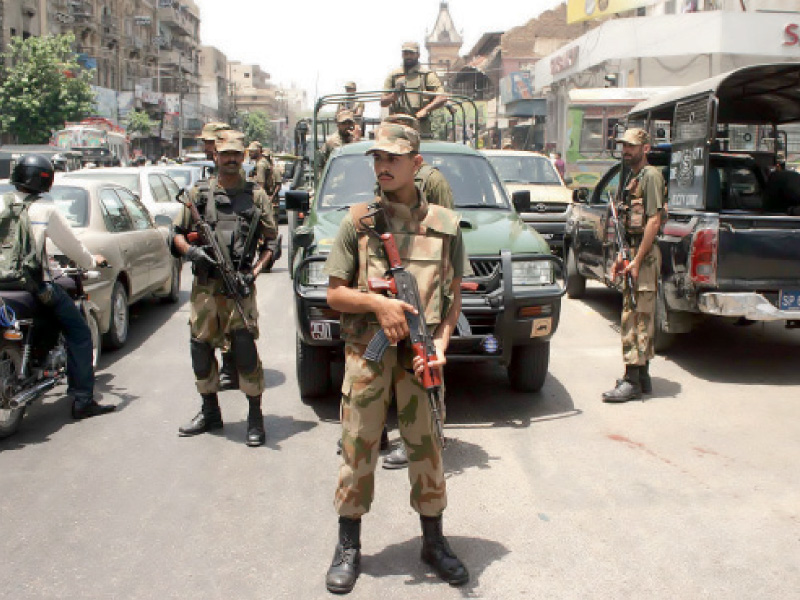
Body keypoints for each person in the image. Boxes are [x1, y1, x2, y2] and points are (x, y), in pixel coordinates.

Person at [323, 122, 469, 593]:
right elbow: (335, 295)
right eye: (378, 158)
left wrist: (442, 345)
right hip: (368, 355)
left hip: (420, 359)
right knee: (358, 446)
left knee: (427, 447)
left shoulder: (446, 226)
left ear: (416, 164)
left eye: (394, 158)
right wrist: (380, 305)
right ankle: (349, 546)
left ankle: (434, 541)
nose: (383, 166)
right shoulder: (359, 222)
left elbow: (451, 303)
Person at [174, 131, 279, 446]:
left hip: (240, 286)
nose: (231, 159)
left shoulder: (256, 196)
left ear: (243, 157)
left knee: (245, 350)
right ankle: (210, 412)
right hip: (206, 288)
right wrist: (191, 252)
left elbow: (272, 243)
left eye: (237, 154)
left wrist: (255, 272)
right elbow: (177, 234)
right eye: (225, 154)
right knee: (200, 349)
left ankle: (255, 419)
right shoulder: (199, 194)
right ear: (215, 155)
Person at [4, 155, 113, 419]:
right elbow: (74, 249)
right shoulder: (44, 210)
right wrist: (91, 260)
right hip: (31, 287)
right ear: (46, 180)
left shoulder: (1, 202)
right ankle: (83, 400)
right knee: (79, 333)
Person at [602, 128, 665, 403]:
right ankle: (643, 377)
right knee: (639, 313)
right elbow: (630, 225)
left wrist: (637, 260)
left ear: (645, 148)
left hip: (645, 256)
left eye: (632, 146)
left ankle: (632, 380)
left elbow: (654, 220)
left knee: (634, 317)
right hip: (635, 252)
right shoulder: (634, 177)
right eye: (624, 146)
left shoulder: (650, 176)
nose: (626, 151)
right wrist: (622, 256)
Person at [381, 42, 448, 139]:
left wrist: (425, 110)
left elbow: (442, 97)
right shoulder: (394, 75)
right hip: (397, 126)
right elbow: (383, 102)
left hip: (420, 126)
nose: (408, 56)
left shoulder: (426, 75)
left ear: (418, 55)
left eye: (411, 53)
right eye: (405, 53)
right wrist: (393, 95)